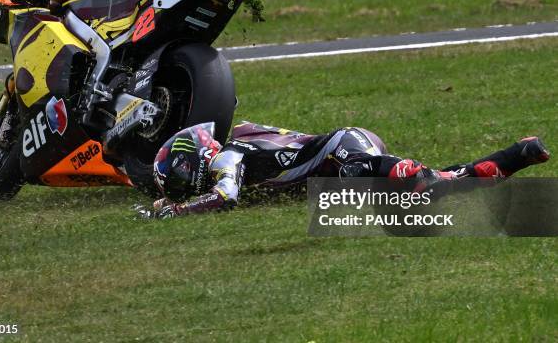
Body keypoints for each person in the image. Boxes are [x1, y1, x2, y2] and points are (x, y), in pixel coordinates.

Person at [135, 122, 550, 219]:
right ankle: (520, 153)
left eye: (177, 174)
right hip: (338, 165)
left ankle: (420, 174)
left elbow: (225, 195)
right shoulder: (241, 146)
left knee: (379, 180)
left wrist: (178, 211)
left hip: (344, 150)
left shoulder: (228, 157)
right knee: (440, 190)